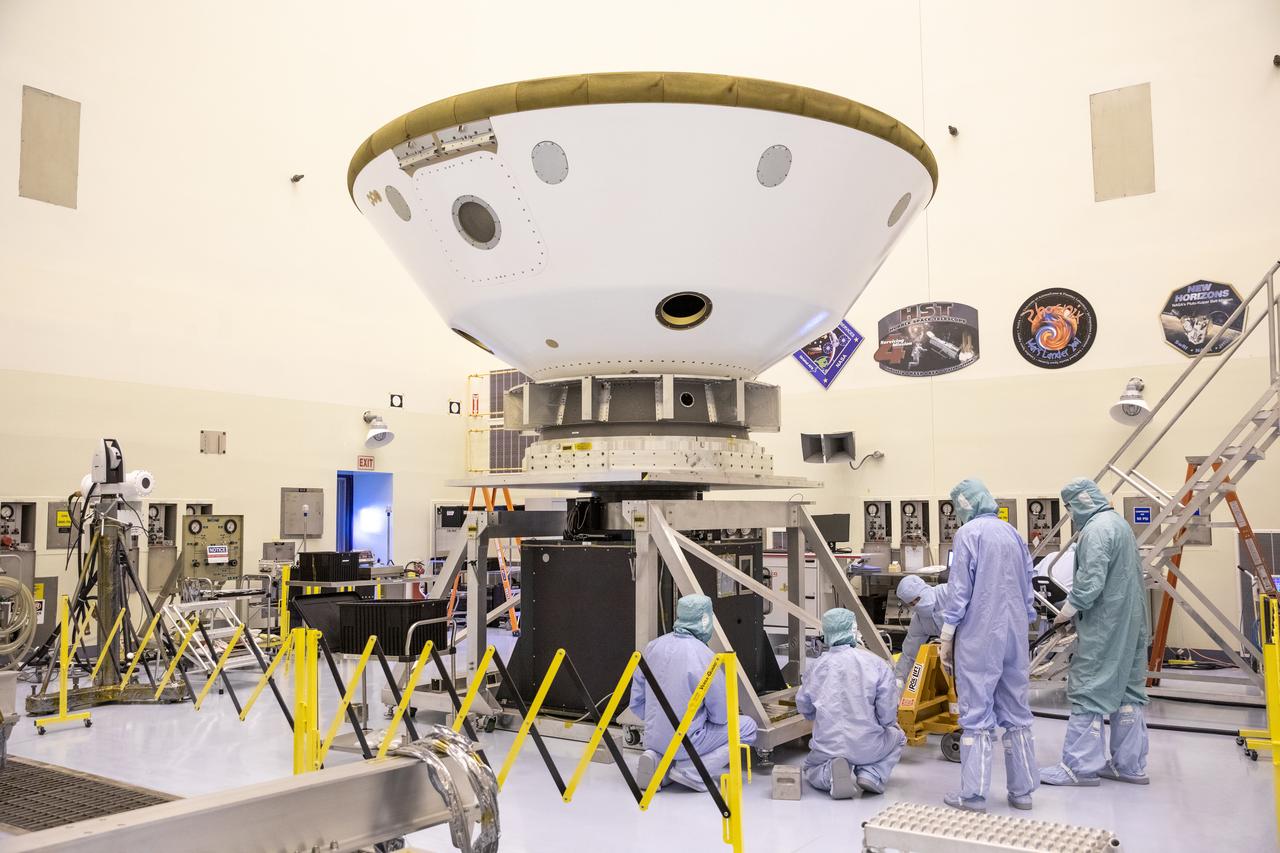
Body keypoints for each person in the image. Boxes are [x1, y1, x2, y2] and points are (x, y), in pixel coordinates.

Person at [1040, 478, 1151, 787]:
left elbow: (1091, 580)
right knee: (1127, 691)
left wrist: (1068, 610)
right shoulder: (1119, 524)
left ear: (1079, 503)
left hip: (1105, 625)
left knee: (1089, 686)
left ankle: (1080, 766)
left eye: (1069, 507)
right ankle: (1128, 765)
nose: (1070, 513)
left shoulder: (1096, 530)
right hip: (1131, 621)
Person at [939, 479, 1039, 813]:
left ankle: (974, 795)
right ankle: (1022, 792)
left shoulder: (968, 534)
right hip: (1015, 632)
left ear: (964, 505)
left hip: (980, 635)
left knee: (977, 712)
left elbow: (960, 590)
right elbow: (1027, 582)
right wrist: (1025, 617)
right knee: (1016, 710)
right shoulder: (1012, 533)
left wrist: (947, 634)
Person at [629, 594, 758, 791]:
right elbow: (721, 715)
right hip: (688, 741)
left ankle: (658, 761)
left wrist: (659, 722)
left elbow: (636, 701)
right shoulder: (705, 655)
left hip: (653, 736)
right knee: (747, 726)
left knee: (669, 736)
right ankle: (692, 771)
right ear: (705, 620)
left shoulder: (653, 646)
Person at [796, 608, 905, 798]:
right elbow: (887, 716)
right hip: (868, 746)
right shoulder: (877, 664)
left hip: (828, 747)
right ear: (854, 630)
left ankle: (830, 774)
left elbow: (804, 707)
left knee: (811, 768)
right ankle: (872, 774)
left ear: (826, 633)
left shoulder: (816, 667)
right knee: (899, 736)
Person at [894, 575, 952, 684]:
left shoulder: (948, 592)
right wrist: (899, 679)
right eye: (911, 604)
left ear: (925, 589)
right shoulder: (919, 620)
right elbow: (909, 654)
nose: (917, 605)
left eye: (917, 599)